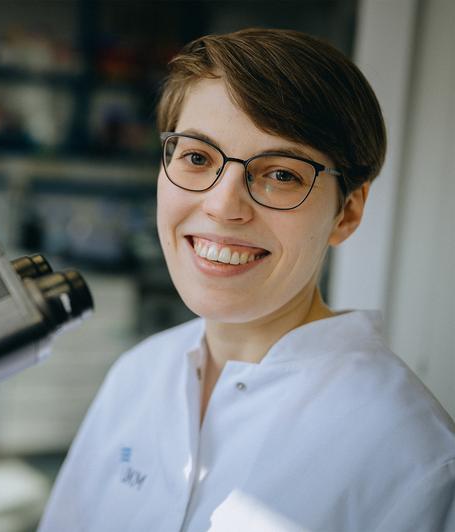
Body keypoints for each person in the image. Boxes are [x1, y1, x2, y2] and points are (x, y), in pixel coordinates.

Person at [38, 28, 455, 532]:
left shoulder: (415, 456)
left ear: (347, 212)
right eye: (197, 158)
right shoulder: (138, 375)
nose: (222, 205)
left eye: (281, 174)